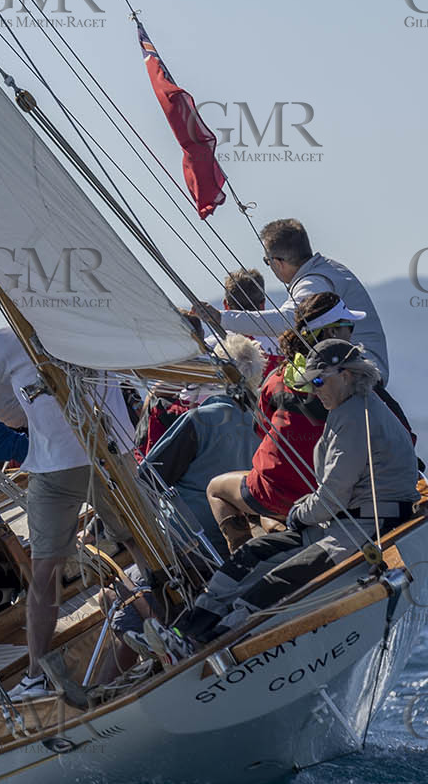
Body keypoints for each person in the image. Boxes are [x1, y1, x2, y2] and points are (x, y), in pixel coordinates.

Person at [166, 338, 419, 646]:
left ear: (347, 374)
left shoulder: (354, 418)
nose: (313, 391)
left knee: (275, 582)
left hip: (364, 528)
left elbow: (331, 496)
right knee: (251, 554)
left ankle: (205, 641)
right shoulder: (354, 408)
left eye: (317, 381)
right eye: (308, 383)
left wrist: (297, 514)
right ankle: (185, 632)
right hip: (344, 523)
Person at [0, 328, 135, 700]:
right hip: (112, 451)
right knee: (136, 541)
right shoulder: (83, 314)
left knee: (45, 572)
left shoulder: (6, 340)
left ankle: (34, 677)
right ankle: (168, 610)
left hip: (57, 466)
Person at [205, 292, 353, 552]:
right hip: (337, 490)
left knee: (216, 489)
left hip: (278, 491)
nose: (353, 333)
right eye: (348, 327)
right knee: (267, 504)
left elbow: (262, 430)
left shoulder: (277, 378)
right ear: (332, 334)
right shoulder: (353, 379)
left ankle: (243, 557)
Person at [210, 219, 389, 385]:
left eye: (267, 262)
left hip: (361, 375)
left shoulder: (314, 281)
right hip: (358, 369)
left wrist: (221, 318)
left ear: (278, 262)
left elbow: (288, 320)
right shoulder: (327, 270)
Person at [140, 335, 264, 557]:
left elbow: (147, 480)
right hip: (244, 537)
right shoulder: (261, 419)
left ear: (215, 374)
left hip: (193, 543)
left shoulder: (200, 419)